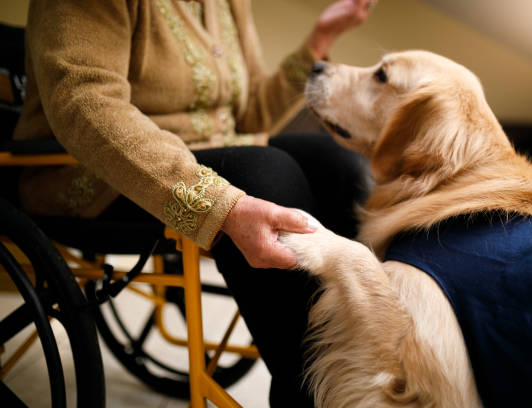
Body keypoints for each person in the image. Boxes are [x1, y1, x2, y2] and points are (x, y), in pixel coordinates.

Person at [13, 0, 376, 404]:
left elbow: (250, 115)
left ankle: (365, 365)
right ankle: (310, 393)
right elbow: (83, 103)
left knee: (343, 167)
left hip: (216, 151)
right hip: (94, 172)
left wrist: (321, 38)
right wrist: (219, 203)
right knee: (266, 175)